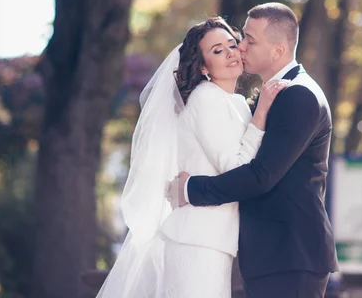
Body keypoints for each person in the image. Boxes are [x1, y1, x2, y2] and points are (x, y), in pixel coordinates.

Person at [96, 17, 286, 298]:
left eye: (232, 45)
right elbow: (235, 168)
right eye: (217, 51)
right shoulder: (204, 98)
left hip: (214, 241)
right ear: (202, 67)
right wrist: (262, 115)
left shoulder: (234, 102)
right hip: (195, 242)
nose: (231, 53)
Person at [168, 3, 338, 298]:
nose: (241, 46)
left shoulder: (298, 96)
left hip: (290, 256)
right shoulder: (270, 96)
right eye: (242, 37)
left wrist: (190, 190)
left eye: (250, 40)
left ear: (278, 50)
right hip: (273, 255)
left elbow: (261, 176)